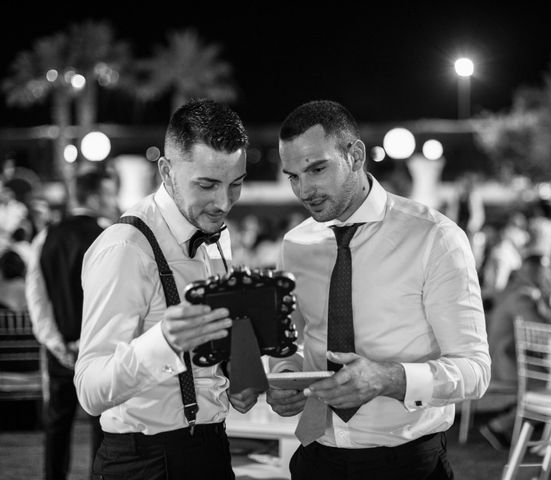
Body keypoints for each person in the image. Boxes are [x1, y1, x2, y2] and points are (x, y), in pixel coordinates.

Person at [267, 100, 490, 480]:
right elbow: (292, 339)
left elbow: (475, 370)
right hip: (317, 457)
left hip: (405, 463)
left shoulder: (435, 238)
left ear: (354, 156)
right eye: (293, 176)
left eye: (317, 169)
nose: (304, 190)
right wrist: (285, 374)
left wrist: (390, 378)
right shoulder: (295, 245)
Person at [74, 99, 258, 480]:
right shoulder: (125, 246)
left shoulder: (216, 237)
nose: (223, 203)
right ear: (167, 171)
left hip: (211, 448)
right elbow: (90, 390)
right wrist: (163, 343)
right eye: (207, 185)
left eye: (235, 184)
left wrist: (234, 379)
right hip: (146, 461)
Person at [25, 170, 118, 480]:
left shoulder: (46, 236)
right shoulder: (110, 235)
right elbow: (116, 300)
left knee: (57, 425)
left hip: (60, 350)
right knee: (103, 427)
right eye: (109, 194)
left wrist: (56, 343)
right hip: (101, 351)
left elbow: (37, 298)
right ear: (93, 197)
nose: (113, 200)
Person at [480, 252, 551, 450]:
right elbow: (543, 331)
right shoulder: (522, 295)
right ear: (535, 272)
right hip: (503, 364)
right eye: (543, 272)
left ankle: (514, 417)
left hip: (505, 358)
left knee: (549, 377)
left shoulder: (515, 290)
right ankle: (500, 425)